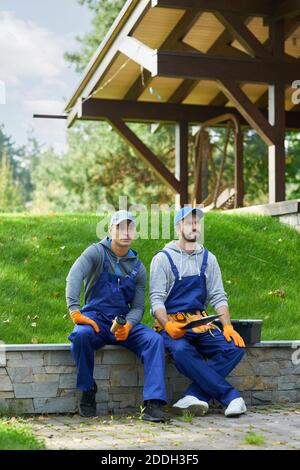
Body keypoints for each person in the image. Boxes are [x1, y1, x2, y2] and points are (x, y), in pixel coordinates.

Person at [66, 210, 168, 422]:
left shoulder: (139, 268)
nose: (126, 232)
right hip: (95, 318)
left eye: (130, 228)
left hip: (121, 322)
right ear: (111, 230)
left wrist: (129, 325)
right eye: (120, 227)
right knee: (80, 336)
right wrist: (75, 310)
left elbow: (138, 307)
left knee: (154, 340)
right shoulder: (96, 253)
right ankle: (87, 390)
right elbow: (74, 275)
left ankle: (153, 403)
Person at [150, 207, 246, 417]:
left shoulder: (208, 259)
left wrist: (228, 326)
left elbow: (218, 296)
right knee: (182, 351)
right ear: (178, 227)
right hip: (173, 327)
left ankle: (194, 396)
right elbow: (156, 300)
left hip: (201, 324)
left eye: (197, 222)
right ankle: (231, 397)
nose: (194, 226)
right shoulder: (163, 259)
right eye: (188, 222)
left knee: (234, 348)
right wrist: (167, 325)